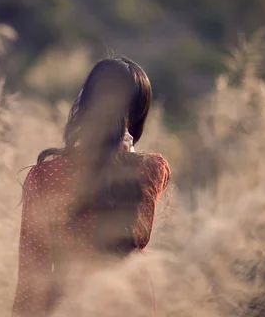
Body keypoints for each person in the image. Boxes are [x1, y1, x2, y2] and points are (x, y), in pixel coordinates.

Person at [12, 56, 171, 316]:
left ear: (85, 105)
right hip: (130, 303)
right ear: (139, 114)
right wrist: (125, 160)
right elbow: (133, 237)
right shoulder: (152, 169)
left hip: (69, 304)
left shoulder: (44, 177)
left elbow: (33, 274)